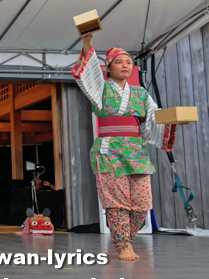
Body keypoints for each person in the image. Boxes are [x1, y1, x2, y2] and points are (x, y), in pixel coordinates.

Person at [72, 32, 170, 261]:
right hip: (109, 151)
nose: (125, 65)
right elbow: (87, 74)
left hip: (137, 152)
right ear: (108, 68)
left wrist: (172, 121)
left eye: (129, 62)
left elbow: (154, 120)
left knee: (141, 206)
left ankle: (125, 238)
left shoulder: (140, 93)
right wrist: (87, 44)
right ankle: (123, 245)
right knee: (117, 205)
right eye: (119, 62)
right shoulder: (101, 90)